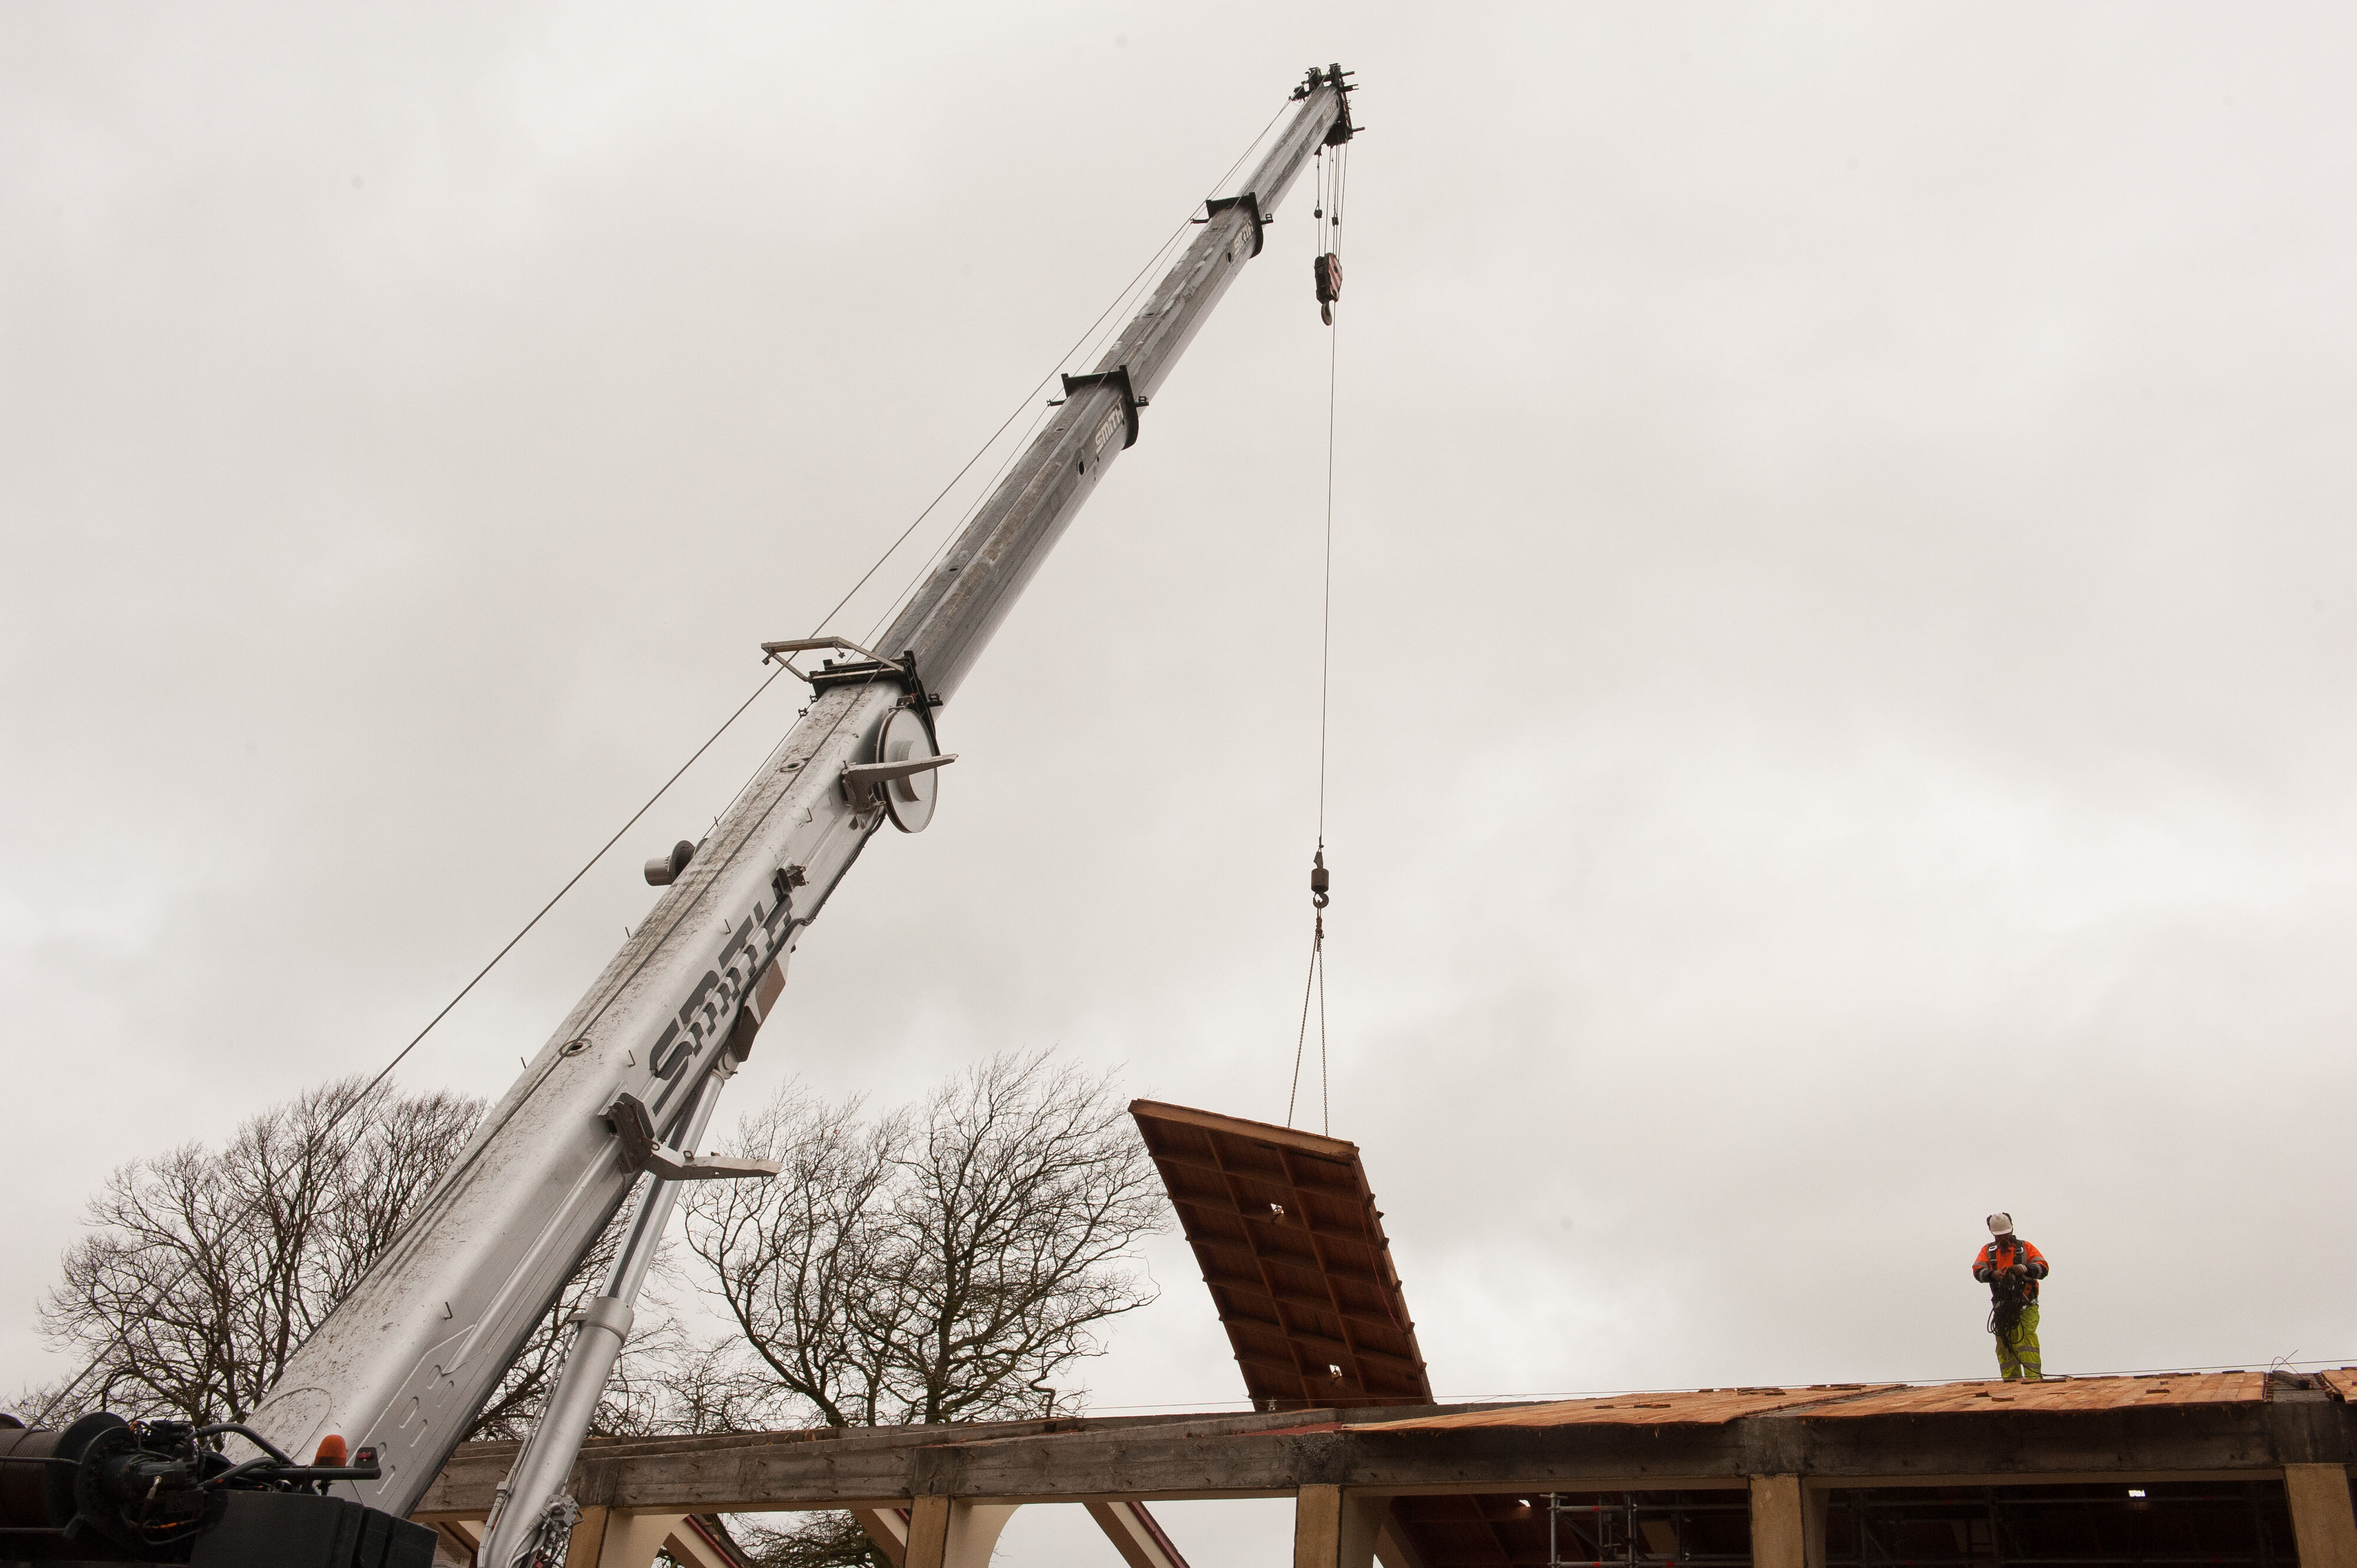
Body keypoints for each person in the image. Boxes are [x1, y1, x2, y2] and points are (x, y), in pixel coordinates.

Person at [1973, 1213, 2049, 1381]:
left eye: (2005, 1235)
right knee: (2004, 1344)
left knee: (2026, 1340)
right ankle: (2011, 1382)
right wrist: (1993, 1274)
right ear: (1993, 1234)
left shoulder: (2025, 1248)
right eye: (1999, 1236)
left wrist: (2025, 1269)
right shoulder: (1989, 1251)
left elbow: (2043, 1268)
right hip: (2003, 1307)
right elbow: (1977, 1271)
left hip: (2026, 1304)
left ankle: (2034, 1380)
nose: (2003, 1239)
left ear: (2012, 1230)